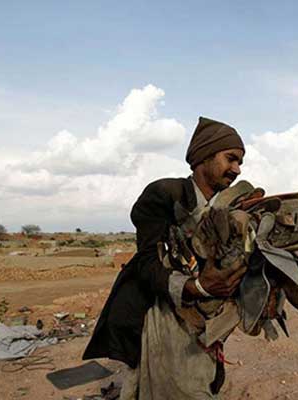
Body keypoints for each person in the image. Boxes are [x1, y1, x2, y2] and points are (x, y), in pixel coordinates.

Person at [83, 117, 247, 399]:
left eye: (240, 162)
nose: (237, 168)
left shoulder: (232, 207)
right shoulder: (164, 194)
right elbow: (147, 264)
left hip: (203, 322)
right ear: (203, 156)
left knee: (199, 382)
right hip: (162, 314)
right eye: (230, 158)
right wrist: (198, 287)